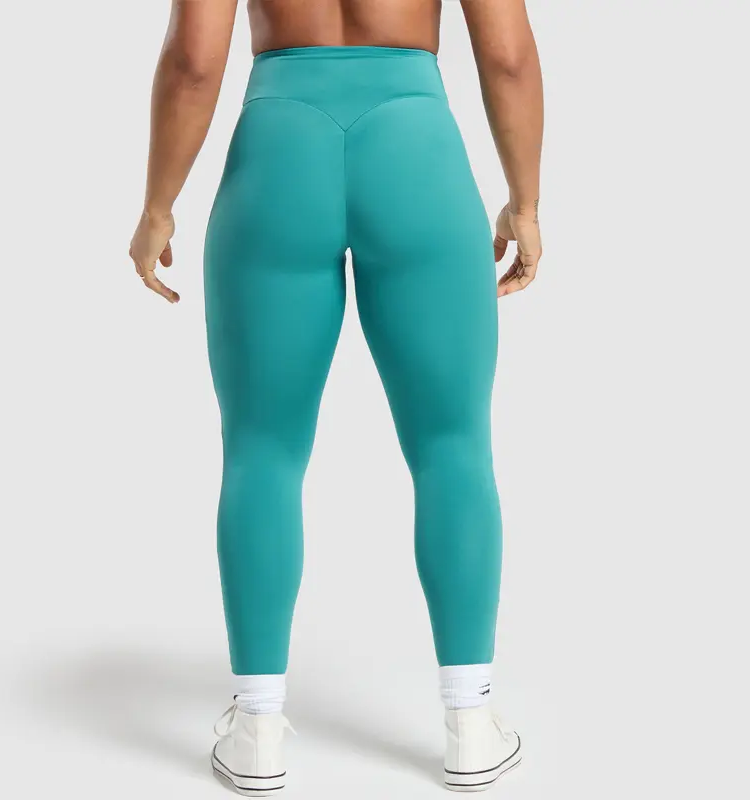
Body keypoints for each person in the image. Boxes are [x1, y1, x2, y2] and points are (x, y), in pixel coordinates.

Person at [129, 0, 543, 794]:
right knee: (452, 445)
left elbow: (193, 62)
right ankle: (471, 721)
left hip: (278, 155)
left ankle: (257, 728)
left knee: (261, 450)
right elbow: (509, 57)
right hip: (416, 154)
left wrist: (157, 206)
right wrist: (523, 202)